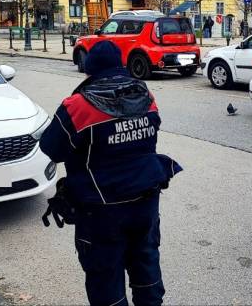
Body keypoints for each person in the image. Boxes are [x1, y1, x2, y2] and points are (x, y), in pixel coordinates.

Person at [40, 41, 182, 306]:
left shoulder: (78, 106)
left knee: (105, 280)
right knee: (146, 266)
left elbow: (51, 148)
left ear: (90, 70)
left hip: (100, 211)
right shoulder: (145, 96)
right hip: (146, 202)